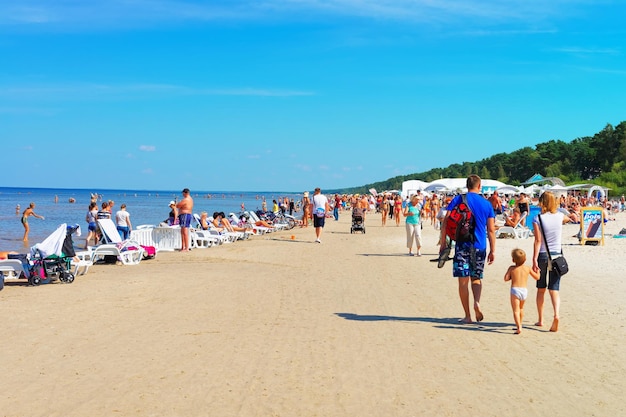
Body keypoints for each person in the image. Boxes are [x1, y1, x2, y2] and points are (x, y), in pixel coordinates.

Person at [439, 175, 496, 323]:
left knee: (462, 281)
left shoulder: (459, 199)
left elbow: (446, 221)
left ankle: (467, 315)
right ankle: (477, 302)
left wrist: (444, 243)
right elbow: (490, 230)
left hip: (462, 245)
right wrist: (493, 250)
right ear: (479, 186)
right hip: (480, 246)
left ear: (467, 185)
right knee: (476, 278)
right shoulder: (486, 204)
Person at [532, 191, 570, 332]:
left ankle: (541, 319)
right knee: (554, 289)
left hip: (542, 255)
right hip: (557, 256)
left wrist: (534, 259)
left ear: (542, 202)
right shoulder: (560, 216)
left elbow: (537, 241)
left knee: (541, 288)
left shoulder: (538, 218)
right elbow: (570, 218)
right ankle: (556, 315)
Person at [504, 248, 540, 334]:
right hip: (524, 290)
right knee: (521, 308)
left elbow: (506, 278)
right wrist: (538, 271)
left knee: (515, 310)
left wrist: (511, 277)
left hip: (515, 290)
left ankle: (518, 327)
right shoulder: (527, 268)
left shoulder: (512, 268)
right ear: (525, 259)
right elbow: (537, 277)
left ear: (513, 260)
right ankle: (520, 323)